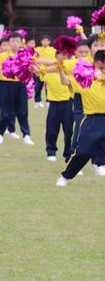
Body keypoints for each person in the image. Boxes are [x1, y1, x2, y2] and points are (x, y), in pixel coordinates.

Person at [56, 34, 105, 185]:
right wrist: (60, 68)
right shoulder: (85, 77)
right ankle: (65, 177)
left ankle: (101, 164)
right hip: (92, 120)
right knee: (83, 151)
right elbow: (66, 81)